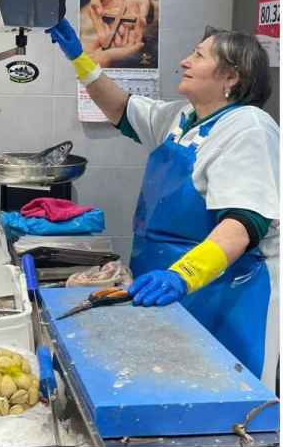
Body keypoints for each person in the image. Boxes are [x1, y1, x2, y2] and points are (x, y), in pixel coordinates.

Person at [48, 19, 279, 389]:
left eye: (199, 56)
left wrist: (183, 275)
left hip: (226, 293)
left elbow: (242, 226)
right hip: (167, 288)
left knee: (222, 398)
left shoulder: (249, 127)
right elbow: (120, 107)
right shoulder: (180, 118)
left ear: (231, 77)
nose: (185, 61)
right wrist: (79, 58)